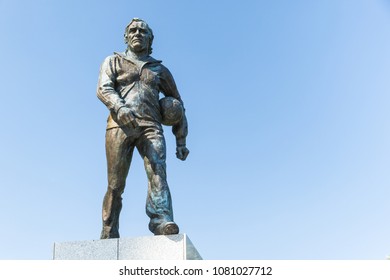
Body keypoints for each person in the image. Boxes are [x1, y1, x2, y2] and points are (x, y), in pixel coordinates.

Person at [97, 18, 189, 238]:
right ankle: (110, 228)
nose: (137, 33)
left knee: (158, 171)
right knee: (115, 184)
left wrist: (181, 140)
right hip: (120, 125)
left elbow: (178, 103)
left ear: (150, 39)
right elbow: (104, 88)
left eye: (143, 31)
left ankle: (162, 220)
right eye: (133, 30)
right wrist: (119, 108)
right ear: (126, 37)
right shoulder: (113, 61)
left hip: (151, 126)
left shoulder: (160, 70)